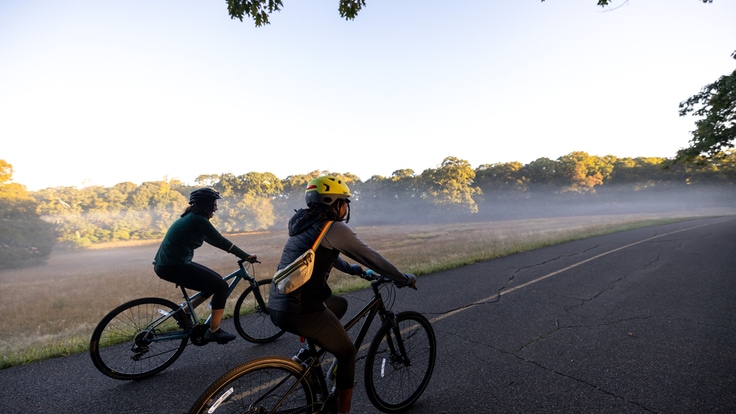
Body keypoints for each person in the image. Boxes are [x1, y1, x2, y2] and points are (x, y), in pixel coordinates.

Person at [268, 176, 416, 414]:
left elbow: (330, 256)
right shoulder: (334, 228)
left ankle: (308, 355)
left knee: (338, 304)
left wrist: (357, 271)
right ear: (335, 203)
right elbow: (370, 255)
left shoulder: (306, 225)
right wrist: (402, 278)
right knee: (347, 353)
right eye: (345, 202)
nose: (346, 208)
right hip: (301, 310)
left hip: (279, 305)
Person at [153, 187, 257, 344]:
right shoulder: (198, 220)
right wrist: (246, 256)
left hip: (170, 265)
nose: (216, 207)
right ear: (206, 205)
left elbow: (215, 241)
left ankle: (184, 312)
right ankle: (214, 331)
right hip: (174, 266)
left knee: (213, 284)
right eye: (214, 203)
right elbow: (222, 242)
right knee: (221, 286)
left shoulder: (192, 218)